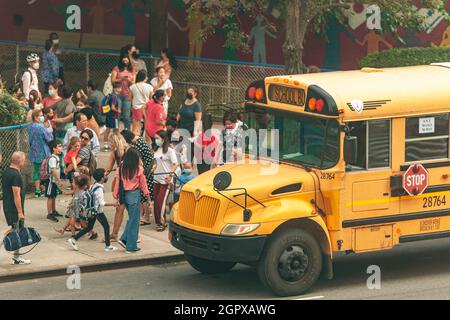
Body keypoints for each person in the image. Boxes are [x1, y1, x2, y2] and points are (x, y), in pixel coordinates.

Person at [68, 169, 118, 252]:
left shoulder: (94, 185)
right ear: (102, 178)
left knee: (89, 227)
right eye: (105, 175)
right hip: (98, 211)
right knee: (106, 226)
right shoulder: (99, 189)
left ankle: (73, 239)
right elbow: (102, 203)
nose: (106, 177)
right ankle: (108, 246)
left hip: (92, 210)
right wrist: (113, 204)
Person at [113, 148, 151, 253]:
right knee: (134, 221)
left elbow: (117, 184)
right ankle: (130, 245)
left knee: (132, 219)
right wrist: (148, 198)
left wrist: (116, 197)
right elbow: (144, 185)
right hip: (134, 195)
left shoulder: (120, 168)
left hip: (124, 195)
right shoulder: (138, 169)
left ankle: (125, 239)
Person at [1, 152, 31, 265]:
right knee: (15, 230)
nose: (24, 162)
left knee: (17, 231)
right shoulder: (16, 175)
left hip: (8, 206)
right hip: (14, 209)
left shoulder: (7, 171)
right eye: (24, 160)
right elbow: (16, 194)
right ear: (20, 162)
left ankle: (16, 258)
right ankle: (17, 258)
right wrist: (20, 212)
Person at [121, 129, 155, 225]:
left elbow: (136, 159)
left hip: (145, 172)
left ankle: (147, 217)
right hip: (145, 171)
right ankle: (142, 216)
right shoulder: (139, 141)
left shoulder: (138, 145)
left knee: (144, 195)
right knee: (143, 195)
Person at [104, 130, 129, 242]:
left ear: (115, 141)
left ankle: (133, 234)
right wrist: (102, 176)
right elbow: (107, 169)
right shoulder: (114, 153)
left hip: (130, 182)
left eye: (110, 142)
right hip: (121, 183)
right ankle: (114, 234)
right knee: (119, 208)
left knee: (131, 210)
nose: (109, 144)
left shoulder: (128, 150)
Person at [153, 130, 178, 231]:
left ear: (163, 139)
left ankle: (162, 223)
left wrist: (170, 175)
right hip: (156, 179)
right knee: (156, 202)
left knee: (161, 202)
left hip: (165, 181)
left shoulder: (169, 151)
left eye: (158, 138)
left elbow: (175, 163)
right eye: (155, 138)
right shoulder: (156, 149)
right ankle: (159, 222)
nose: (156, 140)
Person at [28, 109, 53, 197]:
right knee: (46, 170)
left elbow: (30, 139)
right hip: (43, 152)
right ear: (35, 117)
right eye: (40, 115)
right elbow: (49, 138)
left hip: (34, 151)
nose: (42, 117)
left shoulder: (30, 126)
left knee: (36, 171)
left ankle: (37, 190)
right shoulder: (41, 127)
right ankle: (46, 188)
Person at [111, 53, 135, 131]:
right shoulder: (116, 68)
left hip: (127, 94)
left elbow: (133, 83)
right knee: (117, 114)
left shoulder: (132, 70)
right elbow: (113, 81)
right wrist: (121, 79)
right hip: (117, 94)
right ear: (121, 60)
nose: (125, 62)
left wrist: (129, 81)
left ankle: (127, 131)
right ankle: (116, 131)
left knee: (126, 116)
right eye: (124, 60)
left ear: (129, 61)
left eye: (126, 60)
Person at [130, 70, 153, 136]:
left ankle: (134, 142)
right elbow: (151, 99)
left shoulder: (133, 86)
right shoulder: (150, 87)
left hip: (136, 108)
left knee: (135, 128)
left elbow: (129, 97)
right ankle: (147, 143)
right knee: (147, 127)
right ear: (145, 77)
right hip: (146, 108)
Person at [45, 140, 64, 222]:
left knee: (53, 196)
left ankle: (53, 211)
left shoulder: (57, 157)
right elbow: (53, 170)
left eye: (61, 146)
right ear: (54, 148)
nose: (61, 148)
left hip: (54, 181)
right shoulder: (52, 158)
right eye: (59, 146)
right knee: (50, 196)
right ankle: (49, 213)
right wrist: (59, 180)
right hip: (51, 181)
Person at [103, 82, 122, 151]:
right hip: (114, 117)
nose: (120, 89)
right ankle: (116, 145)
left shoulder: (110, 95)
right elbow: (113, 107)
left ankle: (105, 145)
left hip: (108, 115)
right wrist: (118, 111)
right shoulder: (115, 97)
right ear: (115, 89)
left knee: (107, 130)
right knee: (116, 131)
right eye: (119, 88)